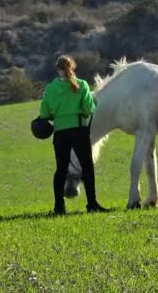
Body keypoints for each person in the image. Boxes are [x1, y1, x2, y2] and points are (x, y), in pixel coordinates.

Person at [39, 55, 109, 215]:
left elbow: (44, 114)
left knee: (61, 170)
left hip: (60, 133)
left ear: (58, 70)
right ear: (73, 68)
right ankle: (92, 204)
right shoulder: (82, 85)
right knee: (87, 168)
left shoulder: (50, 88)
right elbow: (88, 110)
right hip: (78, 130)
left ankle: (59, 207)